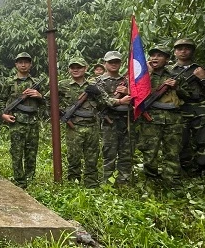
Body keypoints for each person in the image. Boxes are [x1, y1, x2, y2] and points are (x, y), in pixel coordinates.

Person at [58, 57, 131, 188]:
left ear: (85, 68)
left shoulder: (94, 84)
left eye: (79, 67)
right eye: (73, 67)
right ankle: (73, 183)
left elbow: (105, 101)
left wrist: (100, 94)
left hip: (92, 125)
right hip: (73, 126)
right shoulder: (62, 84)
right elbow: (48, 100)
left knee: (92, 157)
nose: (76, 70)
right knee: (73, 157)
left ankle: (91, 184)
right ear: (69, 69)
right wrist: (62, 114)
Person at [169, 38, 205, 175]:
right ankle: (186, 170)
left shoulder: (201, 68)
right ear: (175, 52)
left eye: (187, 48)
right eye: (180, 49)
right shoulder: (169, 71)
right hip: (179, 108)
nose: (183, 51)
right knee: (181, 140)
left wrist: (203, 78)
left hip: (200, 107)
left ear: (192, 51)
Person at [136, 45, 184, 183]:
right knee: (150, 151)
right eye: (153, 55)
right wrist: (148, 74)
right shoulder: (142, 75)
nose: (155, 58)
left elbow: (189, 95)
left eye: (160, 55)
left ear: (167, 59)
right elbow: (136, 94)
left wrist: (177, 87)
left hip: (173, 118)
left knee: (173, 151)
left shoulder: (175, 74)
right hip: (151, 118)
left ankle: (171, 179)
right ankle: (151, 180)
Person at [0, 52, 44, 188]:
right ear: (16, 65)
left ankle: (30, 180)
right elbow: (1, 101)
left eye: (26, 62)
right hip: (16, 123)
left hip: (33, 122)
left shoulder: (36, 83)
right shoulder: (9, 82)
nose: (23, 65)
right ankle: (20, 181)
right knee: (16, 152)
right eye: (20, 62)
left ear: (30, 64)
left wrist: (39, 96)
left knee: (31, 152)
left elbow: (48, 104)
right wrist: (3, 115)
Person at [94, 51, 134, 184]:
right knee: (109, 152)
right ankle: (108, 182)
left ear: (120, 63)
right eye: (110, 62)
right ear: (105, 63)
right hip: (109, 121)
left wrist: (128, 92)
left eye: (116, 62)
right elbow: (101, 100)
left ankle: (124, 180)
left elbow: (139, 99)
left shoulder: (128, 81)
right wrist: (120, 101)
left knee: (126, 152)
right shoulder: (98, 81)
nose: (113, 64)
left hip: (126, 119)